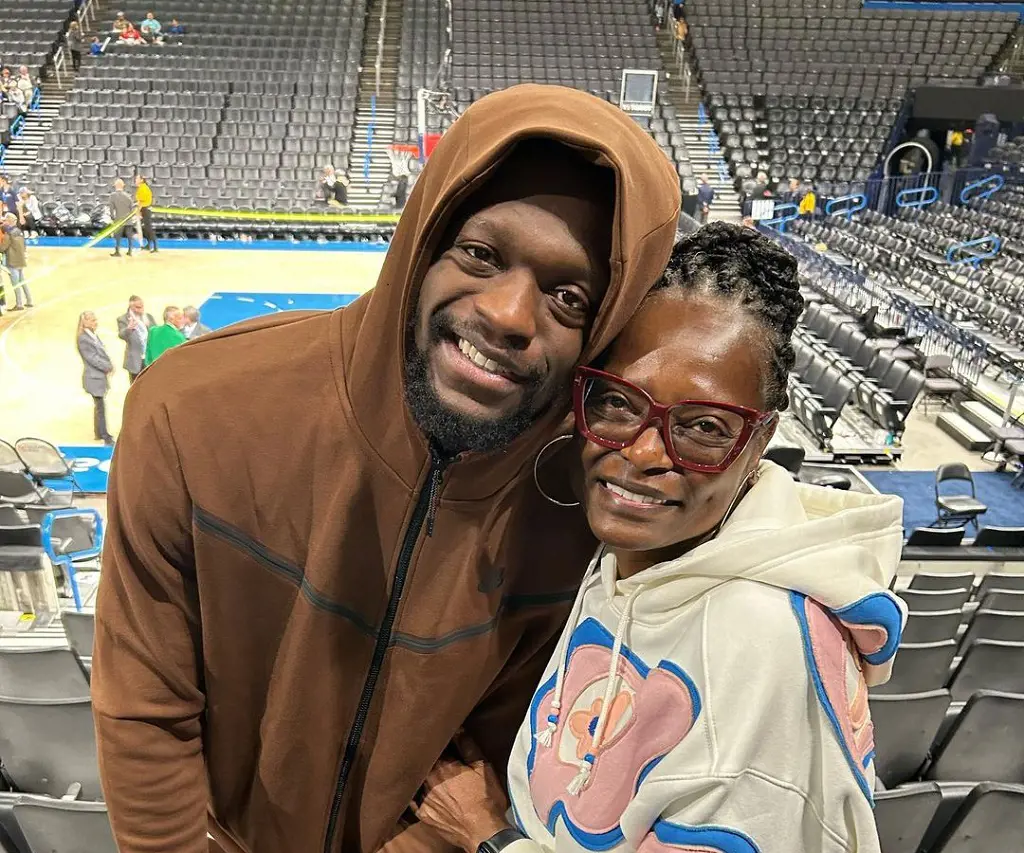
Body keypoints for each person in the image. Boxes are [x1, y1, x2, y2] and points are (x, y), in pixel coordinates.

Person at [91, 83, 681, 853]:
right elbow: (144, 708)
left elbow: (494, 764)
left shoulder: (585, 513)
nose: (506, 314)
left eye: (568, 297)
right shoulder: (193, 410)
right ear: (422, 242)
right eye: (480, 254)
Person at [409, 224, 905, 853]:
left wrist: (488, 836)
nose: (643, 452)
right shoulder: (644, 554)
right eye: (616, 404)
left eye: (702, 427)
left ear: (761, 439)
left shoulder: (761, 644)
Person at [77, 311, 116, 445]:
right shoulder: (83, 338)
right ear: (85, 322)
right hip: (93, 377)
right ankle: (105, 435)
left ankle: (99, 432)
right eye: (93, 320)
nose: (96, 323)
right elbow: (92, 358)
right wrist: (107, 366)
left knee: (99, 406)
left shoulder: (92, 335)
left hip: (98, 376)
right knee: (100, 406)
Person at [116, 295, 155, 382]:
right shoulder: (123, 319)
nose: (141, 309)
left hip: (149, 357)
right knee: (135, 386)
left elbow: (155, 333)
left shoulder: (148, 317)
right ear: (131, 306)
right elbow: (121, 335)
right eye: (138, 307)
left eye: (142, 307)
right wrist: (128, 329)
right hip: (135, 359)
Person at [0, 213, 31, 310]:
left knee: (16, 283)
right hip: (20, 259)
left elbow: (3, 247)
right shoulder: (19, 231)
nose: (4, 222)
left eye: (5, 220)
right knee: (22, 281)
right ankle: (29, 300)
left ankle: (19, 304)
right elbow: (24, 246)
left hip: (12, 261)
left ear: (9, 221)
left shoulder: (9, 234)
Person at [109, 178, 135, 256]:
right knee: (129, 236)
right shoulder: (128, 196)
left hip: (119, 219)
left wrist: (112, 217)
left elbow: (111, 209)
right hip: (128, 219)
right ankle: (130, 251)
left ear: (116, 186)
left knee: (118, 236)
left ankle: (117, 251)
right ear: (123, 186)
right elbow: (132, 209)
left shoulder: (112, 196)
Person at [134, 174, 157, 252]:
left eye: (137, 179)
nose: (135, 180)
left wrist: (138, 211)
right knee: (146, 228)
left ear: (141, 180)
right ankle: (149, 245)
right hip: (144, 209)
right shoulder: (142, 188)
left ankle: (155, 246)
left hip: (145, 209)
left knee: (148, 228)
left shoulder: (143, 188)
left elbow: (141, 202)